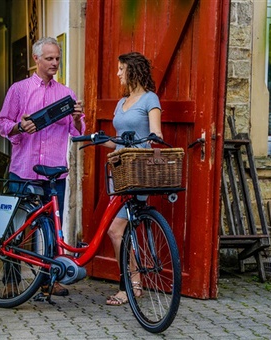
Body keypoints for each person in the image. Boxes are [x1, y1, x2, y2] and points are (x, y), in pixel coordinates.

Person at [0, 36, 85, 298]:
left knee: (52, 229)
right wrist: (18, 126)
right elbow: (2, 123)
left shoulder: (66, 94)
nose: (55, 63)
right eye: (49, 58)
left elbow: (77, 131)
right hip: (24, 169)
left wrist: (78, 119)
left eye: (57, 58)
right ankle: (11, 280)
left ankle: (49, 280)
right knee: (14, 227)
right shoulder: (19, 90)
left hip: (55, 170)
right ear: (36, 59)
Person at [102, 52, 163, 306]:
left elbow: (156, 133)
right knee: (120, 231)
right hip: (119, 171)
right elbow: (116, 141)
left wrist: (154, 147)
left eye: (120, 69)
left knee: (116, 230)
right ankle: (134, 282)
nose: (117, 73)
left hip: (138, 171)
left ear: (133, 70)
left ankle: (128, 285)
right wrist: (95, 139)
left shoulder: (150, 99)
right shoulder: (122, 102)